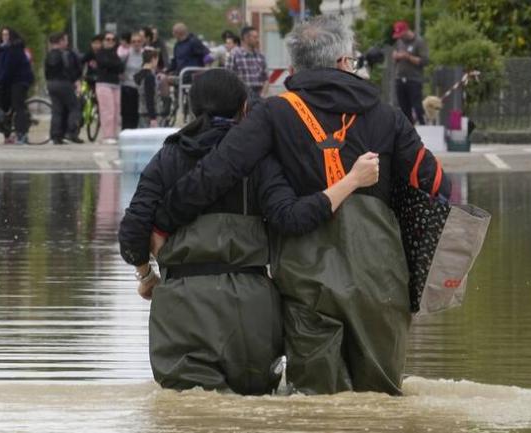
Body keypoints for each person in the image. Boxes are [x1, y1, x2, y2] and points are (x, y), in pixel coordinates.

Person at [150, 15, 451, 396]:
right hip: (380, 276)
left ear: (294, 67)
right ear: (344, 61)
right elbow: (438, 184)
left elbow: (215, 174)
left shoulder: (274, 113)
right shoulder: (387, 116)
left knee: (315, 401)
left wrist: (161, 222)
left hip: (307, 276)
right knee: (381, 399)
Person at [118, 68, 380, 395]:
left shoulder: (166, 158)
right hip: (251, 310)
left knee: (188, 413)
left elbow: (132, 231)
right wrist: (352, 180)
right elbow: (292, 218)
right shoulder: (261, 161)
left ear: (192, 106)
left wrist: (146, 276)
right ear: (245, 108)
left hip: (181, 304)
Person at [45, 32, 83, 144]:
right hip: (64, 83)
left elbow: (46, 71)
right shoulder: (64, 54)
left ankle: (56, 135)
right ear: (60, 41)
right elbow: (69, 70)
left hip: (51, 83)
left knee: (57, 110)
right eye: (65, 41)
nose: (67, 43)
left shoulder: (49, 55)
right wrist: (75, 81)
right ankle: (70, 132)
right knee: (74, 106)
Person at [392, 20, 429, 125]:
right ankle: (408, 130)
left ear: (407, 31)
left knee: (417, 107)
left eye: (401, 34)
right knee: (403, 108)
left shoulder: (419, 42)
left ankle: (423, 126)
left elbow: (424, 61)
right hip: (400, 78)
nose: (400, 37)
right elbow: (395, 53)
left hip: (414, 79)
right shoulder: (399, 42)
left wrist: (407, 57)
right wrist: (396, 56)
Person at [94, 32, 124, 145]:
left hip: (115, 84)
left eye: (113, 39)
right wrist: (114, 65)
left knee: (116, 110)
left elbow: (121, 67)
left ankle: (114, 134)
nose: (110, 41)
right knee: (108, 110)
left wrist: (113, 65)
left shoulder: (115, 53)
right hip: (103, 84)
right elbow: (105, 63)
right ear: (103, 41)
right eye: (107, 39)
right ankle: (107, 135)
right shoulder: (100, 53)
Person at [226, 26, 269, 104]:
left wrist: (262, 96)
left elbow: (266, 79)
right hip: (240, 98)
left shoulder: (260, 56)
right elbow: (227, 78)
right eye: (255, 37)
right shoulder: (234, 55)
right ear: (246, 38)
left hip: (258, 98)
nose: (258, 40)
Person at [120, 31, 145, 130]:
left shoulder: (145, 54)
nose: (136, 43)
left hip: (141, 88)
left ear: (142, 42)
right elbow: (120, 68)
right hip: (128, 87)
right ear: (130, 43)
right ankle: (125, 131)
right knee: (126, 113)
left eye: (138, 41)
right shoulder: (126, 55)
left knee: (137, 113)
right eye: (133, 41)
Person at [134, 49, 159, 127]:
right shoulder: (149, 77)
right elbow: (149, 97)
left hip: (140, 111)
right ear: (153, 59)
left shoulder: (138, 75)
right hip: (148, 113)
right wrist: (153, 117)